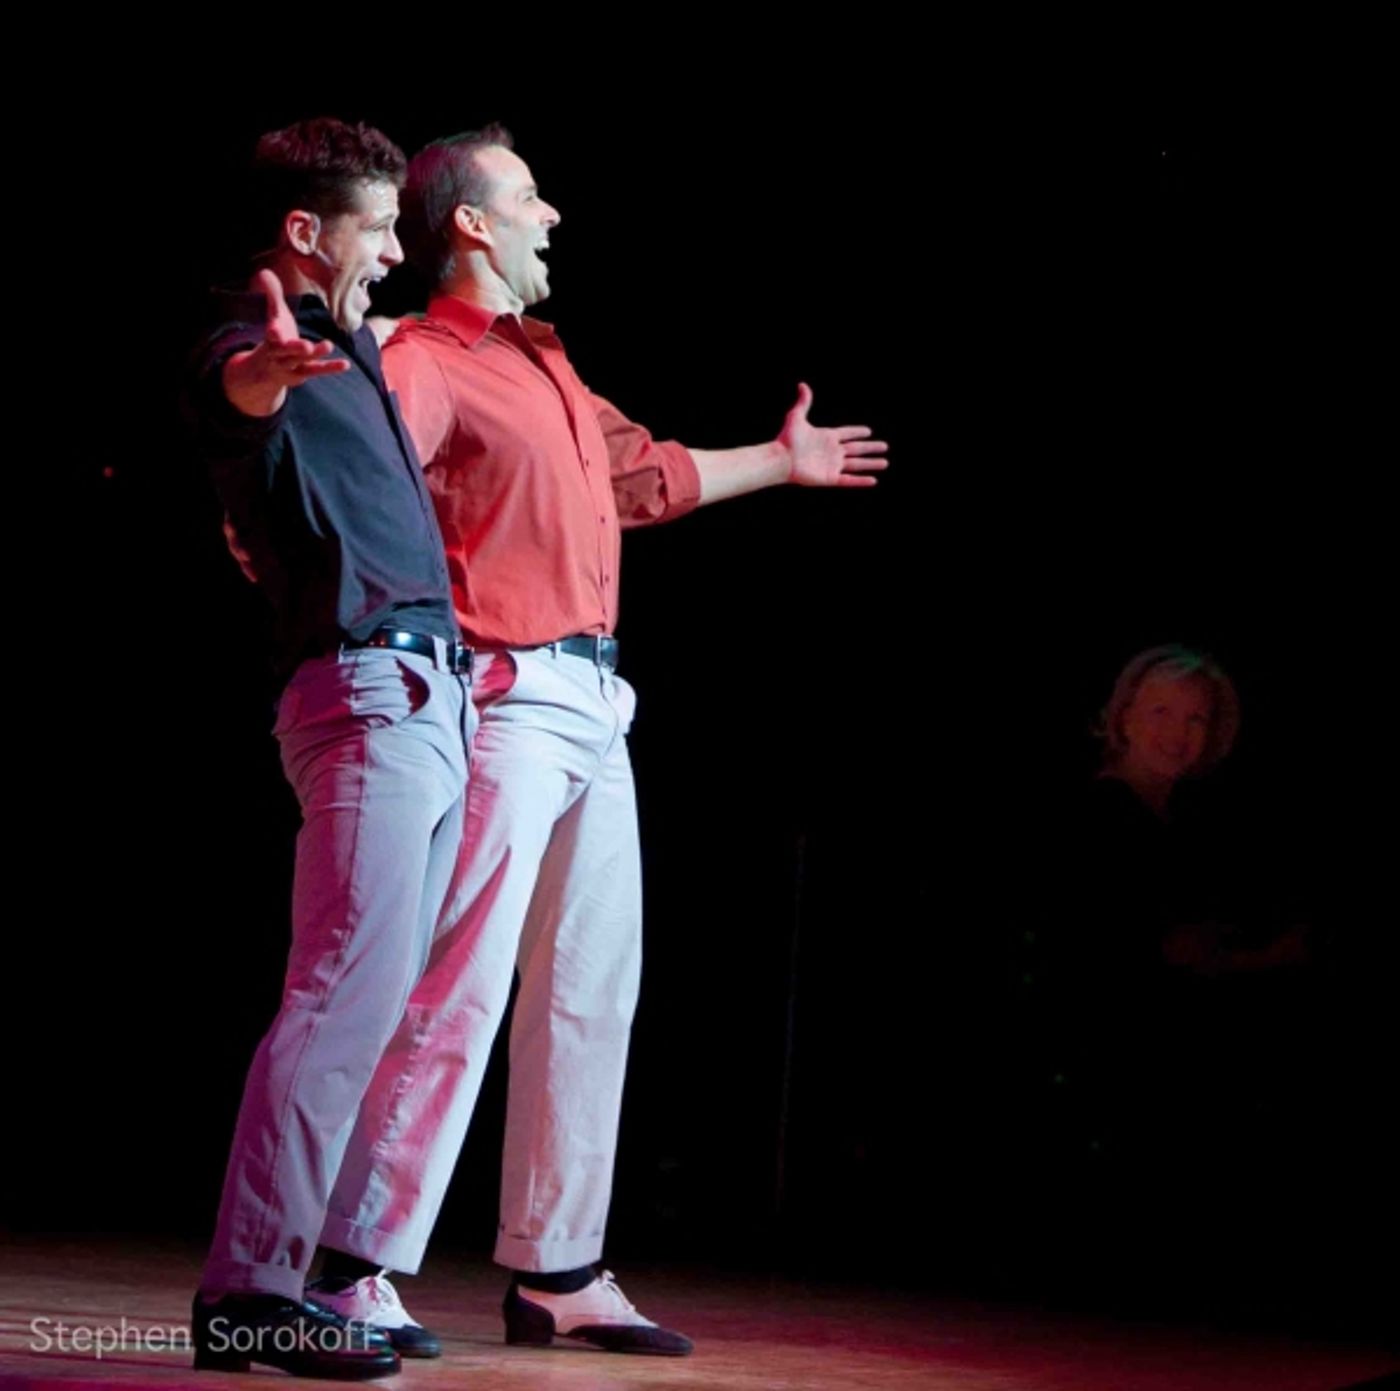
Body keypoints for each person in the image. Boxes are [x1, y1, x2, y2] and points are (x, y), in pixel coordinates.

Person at [305, 125, 888, 1358]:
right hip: (501, 694)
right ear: (470, 222)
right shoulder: (423, 359)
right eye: (528, 197)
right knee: (454, 986)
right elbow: (363, 490)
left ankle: (556, 1266)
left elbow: (647, 477)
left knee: (587, 990)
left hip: (592, 704)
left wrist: (782, 463)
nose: (551, 214)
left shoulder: (549, 369)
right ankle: (352, 1263)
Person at [187, 118, 472, 1380]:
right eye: (375, 227)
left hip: (422, 694)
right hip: (366, 688)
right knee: (336, 999)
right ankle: (250, 1285)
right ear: (305, 233)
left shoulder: (349, 341)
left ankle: (303, 1277)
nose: (395, 252)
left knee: (373, 1003)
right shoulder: (258, 333)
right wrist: (266, 371)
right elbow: (232, 387)